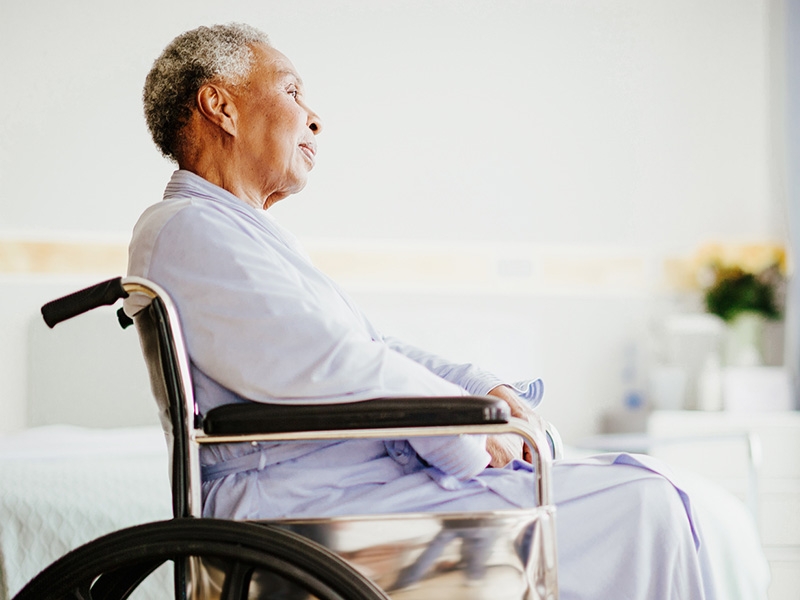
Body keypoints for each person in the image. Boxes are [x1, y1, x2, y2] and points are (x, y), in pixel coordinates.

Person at [127, 23, 717, 599]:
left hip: (344, 487)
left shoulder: (236, 232)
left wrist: (482, 389)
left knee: (638, 491)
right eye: (291, 90)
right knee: (644, 506)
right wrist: (465, 432)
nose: (314, 117)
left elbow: (373, 348)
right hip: (301, 506)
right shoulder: (186, 227)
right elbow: (331, 363)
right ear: (219, 106)